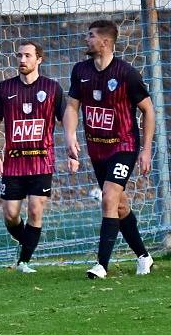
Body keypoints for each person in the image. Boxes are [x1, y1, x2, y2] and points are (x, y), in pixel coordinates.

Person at [63, 20, 155, 279]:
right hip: (97, 149)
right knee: (120, 206)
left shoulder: (126, 73)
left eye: (90, 36)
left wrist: (146, 150)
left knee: (108, 196)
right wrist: (69, 135)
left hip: (124, 145)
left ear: (105, 42)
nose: (86, 39)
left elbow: (148, 110)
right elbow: (72, 107)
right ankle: (144, 257)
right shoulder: (80, 70)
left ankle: (101, 265)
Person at [0, 41, 78, 273]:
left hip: (41, 160)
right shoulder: (5, 89)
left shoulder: (51, 88)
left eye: (27, 55)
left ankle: (23, 262)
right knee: (10, 214)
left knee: (36, 209)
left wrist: (71, 144)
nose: (22, 60)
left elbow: (66, 115)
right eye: (19, 55)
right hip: (14, 162)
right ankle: (27, 242)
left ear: (39, 59)